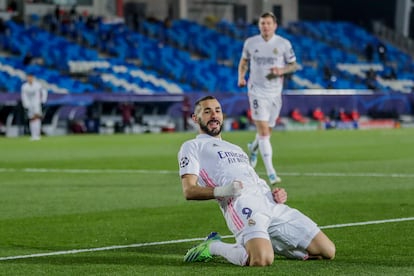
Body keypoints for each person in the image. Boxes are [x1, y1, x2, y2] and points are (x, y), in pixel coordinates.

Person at [178, 96, 335, 267]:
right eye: (207, 112)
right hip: (242, 206)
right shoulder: (192, 146)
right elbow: (189, 191)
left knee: (327, 251)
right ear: (195, 118)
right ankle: (213, 246)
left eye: (217, 110)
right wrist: (225, 191)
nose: (214, 115)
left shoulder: (236, 148)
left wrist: (274, 194)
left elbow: (252, 179)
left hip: (269, 202)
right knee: (261, 259)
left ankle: (269, 242)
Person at [238, 11, 298, 184]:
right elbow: (243, 62)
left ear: (275, 26)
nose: (265, 26)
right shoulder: (251, 43)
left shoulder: (284, 44)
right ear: (259, 25)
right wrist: (241, 77)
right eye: (262, 23)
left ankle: (253, 148)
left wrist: (282, 70)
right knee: (264, 132)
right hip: (257, 91)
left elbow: (294, 65)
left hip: (275, 92)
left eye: (268, 23)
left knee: (267, 132)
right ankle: (271, 173)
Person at [21, 74, 48, 140]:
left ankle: (38, 134)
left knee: (37, 118)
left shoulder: (37, 85)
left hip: (36, 103)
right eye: (28, 77)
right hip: (29, 105)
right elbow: (23, 96)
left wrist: (43, 100)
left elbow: (44, 91)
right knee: (31, 119)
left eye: (31, 77)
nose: (29, 79)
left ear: (33, 78)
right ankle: (33, 135)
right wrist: (25, 104)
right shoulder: (24, 86)